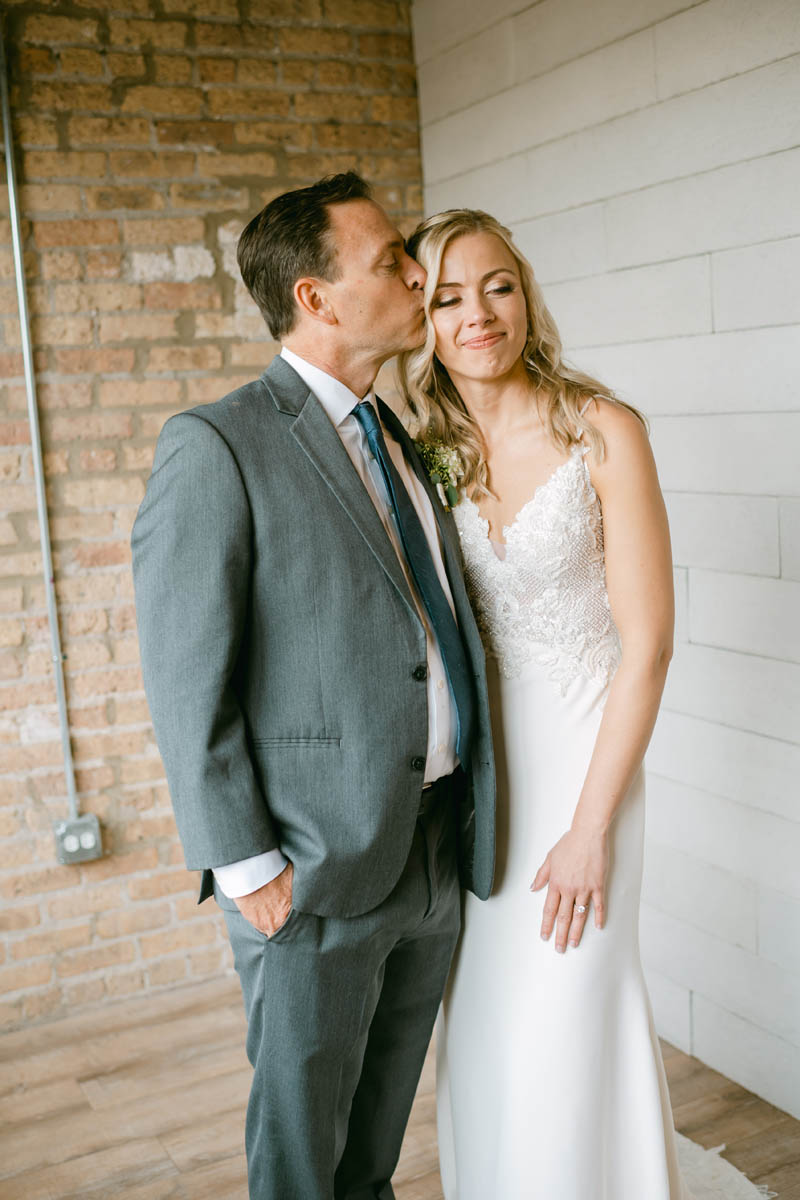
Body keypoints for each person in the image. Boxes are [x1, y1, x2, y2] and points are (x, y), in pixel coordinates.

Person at [131, 175, 495, 1200]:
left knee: (372, 1154)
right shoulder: (218, 445)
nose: (419, 276)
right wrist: (251, 870)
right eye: (390, 261)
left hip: (430, 850)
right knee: (301, 1163)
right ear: (315, 297)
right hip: (312, 867)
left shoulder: (402, 442)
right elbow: (183, 675)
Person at [398, 209, 693, 1199]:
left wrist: (588, 828)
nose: (477, 314)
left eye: (496, 286)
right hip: (482, 787)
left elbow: (645, 643)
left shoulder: (601, 429)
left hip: (586, 764)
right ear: (421, 318)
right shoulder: (426, 454)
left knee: (571, 1014)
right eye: (446, 296)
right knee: (488, 1025)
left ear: (524, 294)